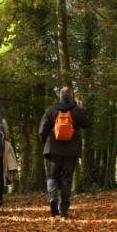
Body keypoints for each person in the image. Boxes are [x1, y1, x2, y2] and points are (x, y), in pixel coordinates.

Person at [39, 87, 91, 218]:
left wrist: (45, 143)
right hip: (71, 150)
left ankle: (52, 199)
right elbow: (87, 124)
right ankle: (64, 210)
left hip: (53, 149)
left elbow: (42, 130)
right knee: (67, 178)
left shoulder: (51, 110)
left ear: (60, 96)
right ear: (71, 97)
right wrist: (81, 109)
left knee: (52, 176)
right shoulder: (77, 111)